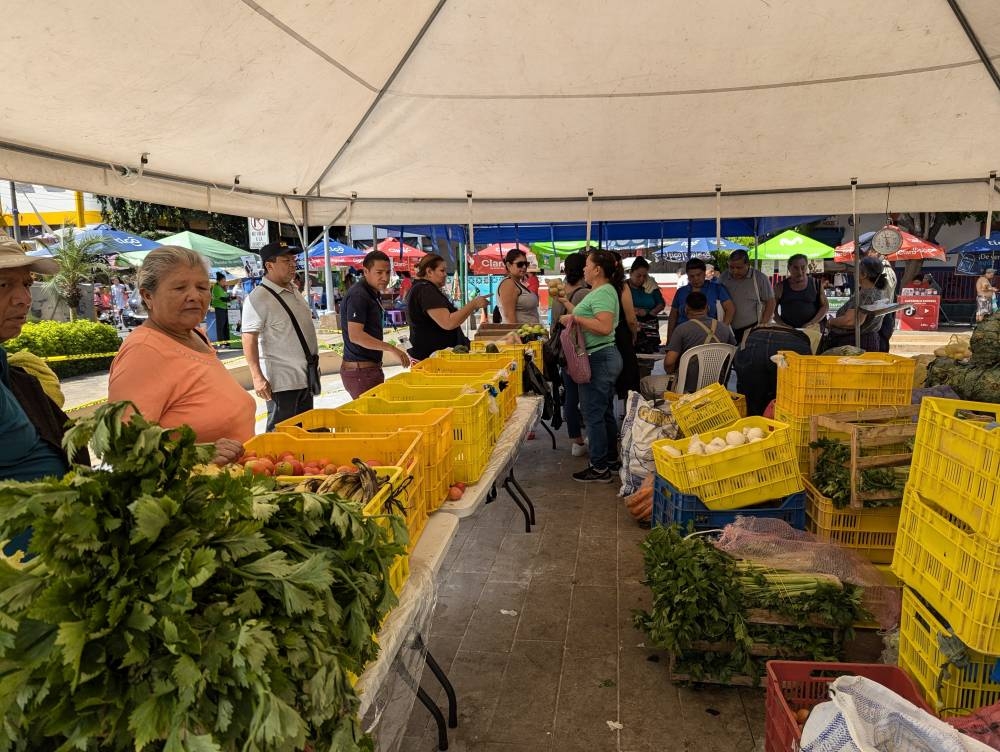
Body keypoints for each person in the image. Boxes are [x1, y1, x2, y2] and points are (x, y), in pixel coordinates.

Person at [108, 246, 255, 451]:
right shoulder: (143, 352)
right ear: (148, 296)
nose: (194, 296)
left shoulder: (197, 336)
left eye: (202, 287)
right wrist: (199, 456)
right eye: (180, 288)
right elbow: (125, 449)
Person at [0, 239, 90, 556]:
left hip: (54, 558)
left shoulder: (8, 363)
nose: (24, 299)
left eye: (26, 284)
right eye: (3, 285)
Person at [556, 249, 623, 483]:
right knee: (603, 412)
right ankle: (610, 460)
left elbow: (604, 327)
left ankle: (599, 467)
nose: (583, 269)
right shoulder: (600, 291)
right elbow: (589, 317)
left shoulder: (604, 292)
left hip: (599, 357)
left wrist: (574, 319)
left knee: (593, 413)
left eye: (587, 265)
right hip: (601, 356)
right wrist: (565, 303)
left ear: (597, 269)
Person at [242, 241, 320, 431]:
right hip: (282, 383)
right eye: (286, 260)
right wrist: (257, 376)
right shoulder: (258, 297)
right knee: (281, 436)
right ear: (269, 265)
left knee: (304, 432)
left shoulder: (293, 289)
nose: (293, 264)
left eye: (293, 259)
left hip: (304, 378)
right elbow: (248, 337)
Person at [339, 250, 411, 399]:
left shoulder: (372, 292)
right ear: (366, 271)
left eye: (387, 272)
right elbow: (356, 336)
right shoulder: (359, 295)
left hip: (368, 369)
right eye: (379, 272)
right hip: (360, 372)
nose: (385, 277)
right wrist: (392, 349)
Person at [407, 254, 490, 360]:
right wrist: (473, 304)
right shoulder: (425, 290)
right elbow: (448, 322)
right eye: (442, 271)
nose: (446, 274)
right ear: (429, 272)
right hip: (433, 360)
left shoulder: (422, 288)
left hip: (437, 356)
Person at [550, 253, 590, 457]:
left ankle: (576, 440)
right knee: (589, 396)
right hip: (582, 351)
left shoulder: (559, 294)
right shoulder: (586, 294)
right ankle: (591, 436)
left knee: (571, 397)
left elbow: (553, 325)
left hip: (565, 351)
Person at [663, 291, 737, 392]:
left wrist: (672, 374)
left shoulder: (681, 329)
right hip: (716, 387)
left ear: (686, 309)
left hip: (686, 388)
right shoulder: (724, 328)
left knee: (646, 383)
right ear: (707, 307)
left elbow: (669, 362)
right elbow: (732, 355)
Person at [821, 257, 889, 352]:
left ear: (864, 275)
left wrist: (830, 322)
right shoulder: (873, 291)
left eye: (856, 270)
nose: (854, 273)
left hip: (856, 344)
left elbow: (851, 321)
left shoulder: (867, 294)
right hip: (862, 341)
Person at [719, 249, 775, 345]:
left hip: (751, 328)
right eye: (731, 267)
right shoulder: (724, 277)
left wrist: (762, 325)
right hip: (728, 328)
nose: (734, 271)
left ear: (748, 265)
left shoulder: (759, 278)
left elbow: (771, 302)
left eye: (739, 267)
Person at [668, 258, 735, 333]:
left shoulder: (717, 289)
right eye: (692, 276)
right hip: (683, 335)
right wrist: (669, 338)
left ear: (704, 273)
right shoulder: (681, 292)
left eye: (698, 275)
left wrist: (723, 328)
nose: (696, 278)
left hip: (710, 333)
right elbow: (673, 316)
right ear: (687, 275)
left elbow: (730, 309)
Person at [773, 253, 829, 328]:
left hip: (811, 331)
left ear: (807, 267)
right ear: (789, 268)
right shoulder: (780, 287)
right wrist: (782, 324)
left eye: (803, 268)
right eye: (795, 268)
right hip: (789, 332)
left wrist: (812, 323)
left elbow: (825, 306)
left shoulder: (816, 284)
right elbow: (772, 309)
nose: (800, 272)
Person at [626, 257, 665, 354]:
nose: (642, 279)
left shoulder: (650, 285)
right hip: (630, 327)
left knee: (647, 359)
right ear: (631, 273)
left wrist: (650, 312)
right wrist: (631, 310)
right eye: (638, 276)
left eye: (644, 276)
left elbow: (661, 303)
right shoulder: (623, 287)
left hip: (650, 327)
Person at [496, 248, 540, 324]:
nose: (524, 267)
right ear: (509, 265)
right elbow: (509, 317)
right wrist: (516, 335)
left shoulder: (518, 283)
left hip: (528, 333)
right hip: (520, 334)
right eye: (520, 264)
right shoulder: (508, 284)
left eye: (526, 264)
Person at [210, 271, 231, 344]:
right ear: (218, 281)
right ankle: (221, 342)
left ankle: (227, 341)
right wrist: (233, 298)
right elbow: (223, 299)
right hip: (219, 308)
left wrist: (226, 291)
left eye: (225, 281)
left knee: (225, 326)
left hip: (224, 308)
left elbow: (226, 296)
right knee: (221, 326)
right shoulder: (216, 288)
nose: (224, 282)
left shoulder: (222, 288)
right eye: (223, 281)